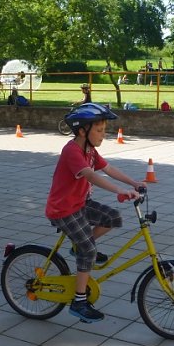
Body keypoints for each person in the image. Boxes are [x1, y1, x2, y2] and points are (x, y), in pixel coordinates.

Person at [45, 103, 143, 323]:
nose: (103, 134)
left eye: (104, 130)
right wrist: (119, 191)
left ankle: (78, 247)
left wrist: (133, 183)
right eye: (99, 130)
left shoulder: (90, 151)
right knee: (88, 250)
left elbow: (107, 169)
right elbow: (90, 175)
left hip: (79, 204)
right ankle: (79, 302)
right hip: (63, 210)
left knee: (113, 217)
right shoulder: (72, 151)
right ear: (82, 130)